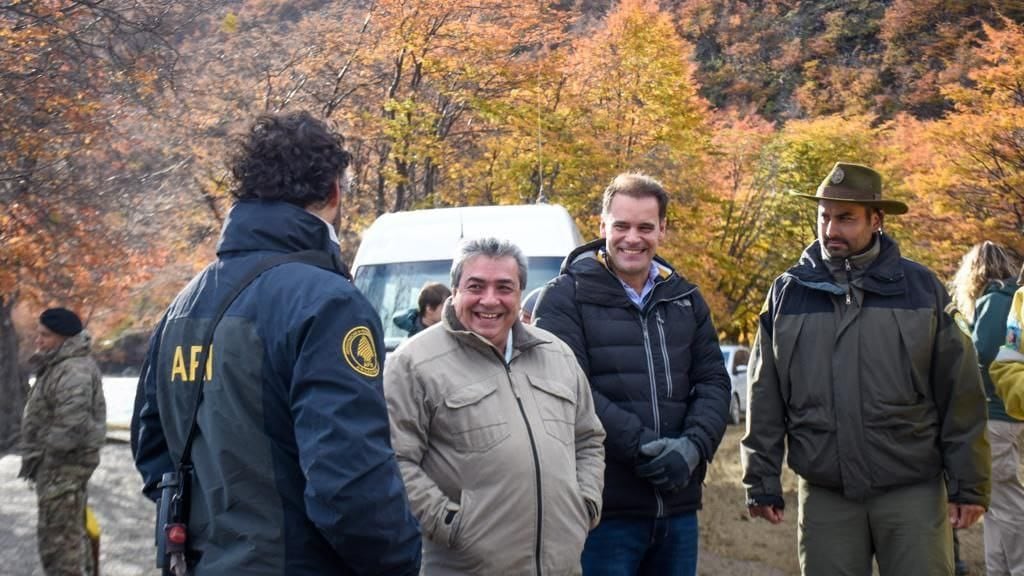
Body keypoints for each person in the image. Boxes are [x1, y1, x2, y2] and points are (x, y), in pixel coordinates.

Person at [131, 112, 421, 575]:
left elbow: (154, 455)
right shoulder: (328, 304)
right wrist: (402, 562)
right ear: (333, 193)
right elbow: (349, 485)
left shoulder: (181, 306)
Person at [741, 162, 990, 576]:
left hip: (912, 487)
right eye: (824, 216)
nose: (830, 230)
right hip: (826, 491)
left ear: (877, 220)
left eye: (845, 218)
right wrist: (761, 478)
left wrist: (969, 485)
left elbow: (960, 391)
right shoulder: (788, 293)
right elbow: (764, 392)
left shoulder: (922, 288)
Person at [533, 173, 732, 576]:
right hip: (604, 510)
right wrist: (643, 448)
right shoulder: (563, 297)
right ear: (602, 226)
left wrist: (693, 448)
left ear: (662, 229)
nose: (632, 238)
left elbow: (714, 381)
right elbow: (569, 388)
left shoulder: (685, 299)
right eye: (621, 225)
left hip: (677, 506)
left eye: (645, 227)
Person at [383, 237, 606, 574]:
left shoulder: (557, 354)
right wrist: (449, 523)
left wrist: (585, 504)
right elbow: (395, 459)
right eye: (476, 286)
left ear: (520, 294)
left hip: (561, 565)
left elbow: (588, 438)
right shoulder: (413, 363)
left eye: (504, 287)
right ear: (454, 290)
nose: (490, 300)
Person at [951, 241, 1024, 576]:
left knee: (1006, 504)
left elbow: (982, 356)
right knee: (995, 506)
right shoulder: (1009, 298)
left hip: (997, 414)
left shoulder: (994, 301)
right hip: (1008, 414)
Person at [19, 307, 106, 576]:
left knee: (60, 548)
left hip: (62, 469)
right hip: (58, 470)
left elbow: (72, 427)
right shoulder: (59, 365)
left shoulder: (73, 370)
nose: (38, 340)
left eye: (45, 335)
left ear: (64, 338)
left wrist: (43, 452)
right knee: (71, 537)